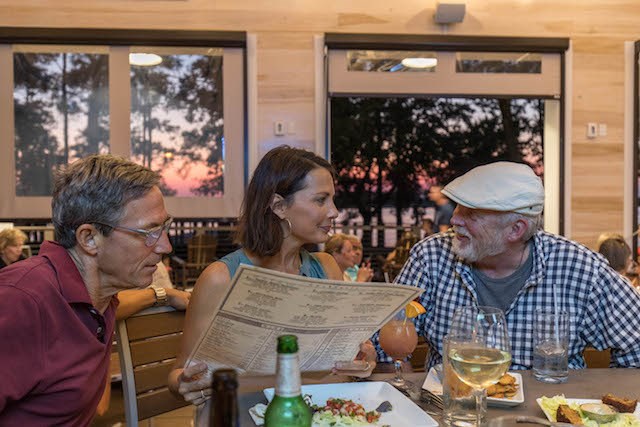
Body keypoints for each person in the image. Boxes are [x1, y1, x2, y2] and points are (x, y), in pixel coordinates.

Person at [168, 146, 376, 419]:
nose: (334, 212)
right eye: (320, 200)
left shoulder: (326, 268)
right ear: (279, 206)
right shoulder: (221, 277)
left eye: (332, 200)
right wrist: (184, 382)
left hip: (314, 413)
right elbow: (179, 373)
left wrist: (362, 359)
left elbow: (342, 360)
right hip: (240, 416)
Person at [375, 161, 640, 371]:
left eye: (471, 213)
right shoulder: (431, 257)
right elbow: (383, 341)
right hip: (451, 411)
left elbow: (636, 347)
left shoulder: (582, 268)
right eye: (457, 207)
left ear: (515, 229)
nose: (455, 219)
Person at [0, 154, 172, 425]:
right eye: (148, 233)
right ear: (89, 238)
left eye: (164, 228)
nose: (165, 246)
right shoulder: (21, 300)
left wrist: (165, 295)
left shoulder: (101, 297)